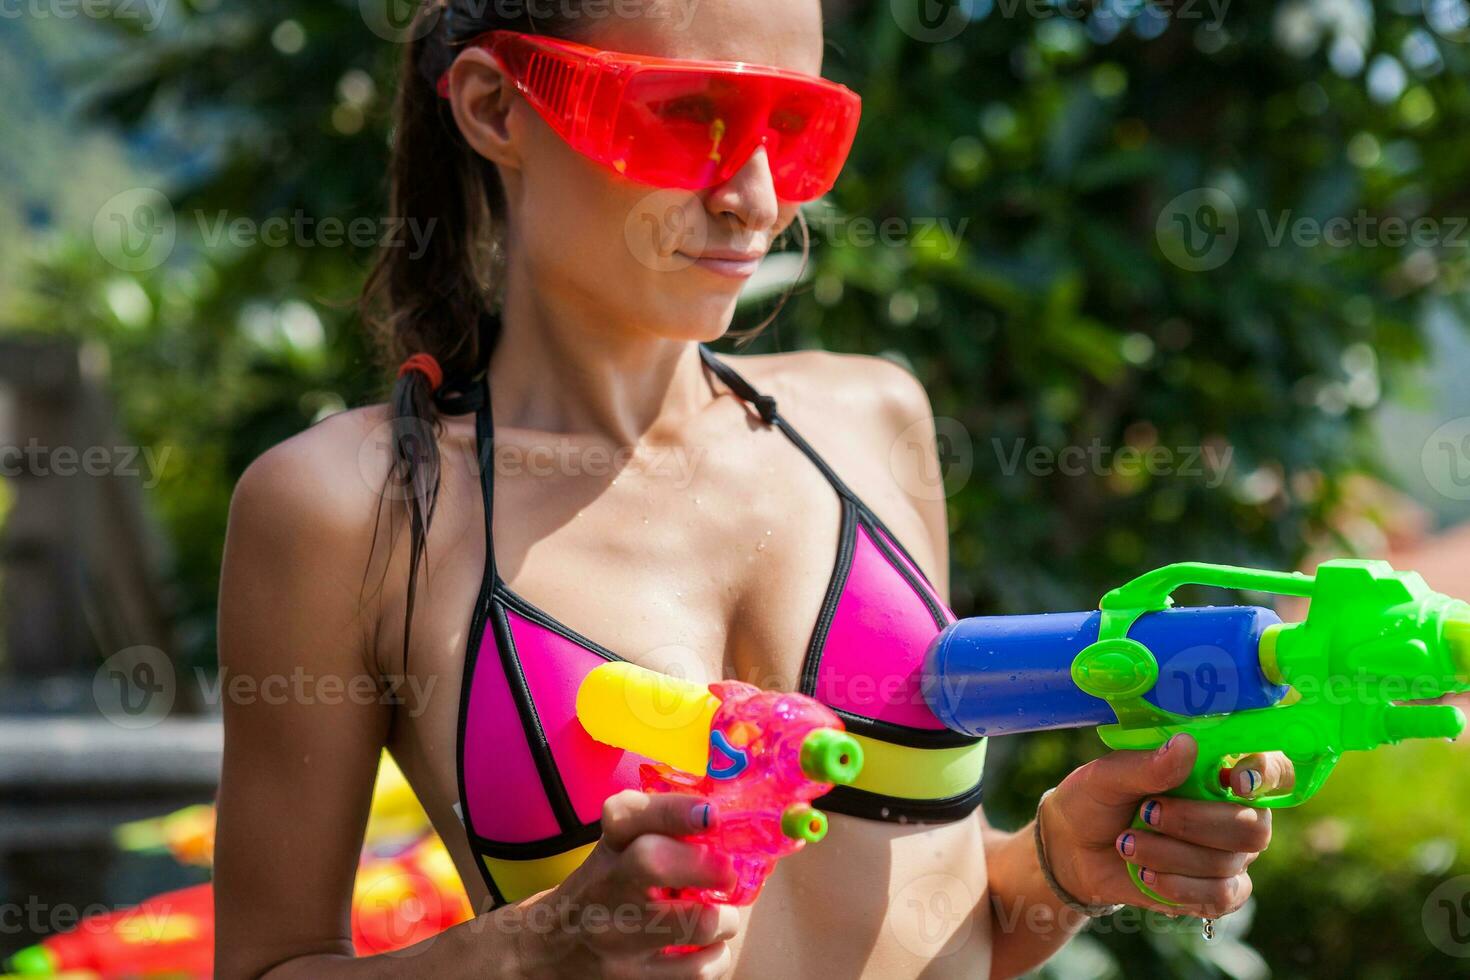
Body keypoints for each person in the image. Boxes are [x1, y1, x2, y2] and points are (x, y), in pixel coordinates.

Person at [212, 3, 1293, 978]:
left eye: (796, 130)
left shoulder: (872, 422)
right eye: (689, 115)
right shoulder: (350, 511)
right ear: (498, 106)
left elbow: (946, 923)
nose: (756, 198)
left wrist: (1060, 862)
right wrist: (542, 945)